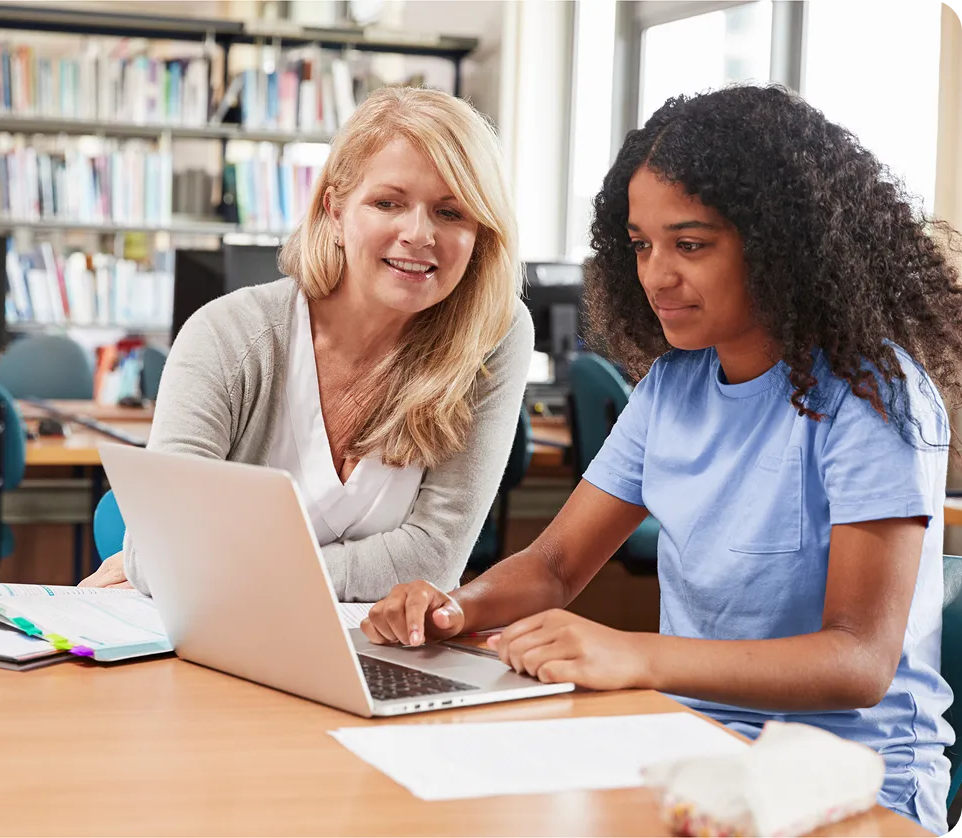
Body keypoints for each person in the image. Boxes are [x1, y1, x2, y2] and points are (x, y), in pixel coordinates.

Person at [361, 84, 962, 834]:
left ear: (779, 243)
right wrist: (457, 609)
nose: (656, 276)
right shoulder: (674, 385)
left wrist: (639, 655)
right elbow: (553, 567)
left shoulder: (873, 397)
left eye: (691, 244)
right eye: (641, 246)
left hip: (844, 785)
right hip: (690, 754)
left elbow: (858, 662)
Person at [79, 86, 532, 601]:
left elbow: (434, 560)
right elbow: (162, 555)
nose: (418, 233)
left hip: (377, 660)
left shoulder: (491, 331)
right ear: (335, 210)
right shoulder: (227, 336)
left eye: (451, 213)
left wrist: (222, 569)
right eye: (388, 202)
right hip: (212, 644)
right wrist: (179, 563)